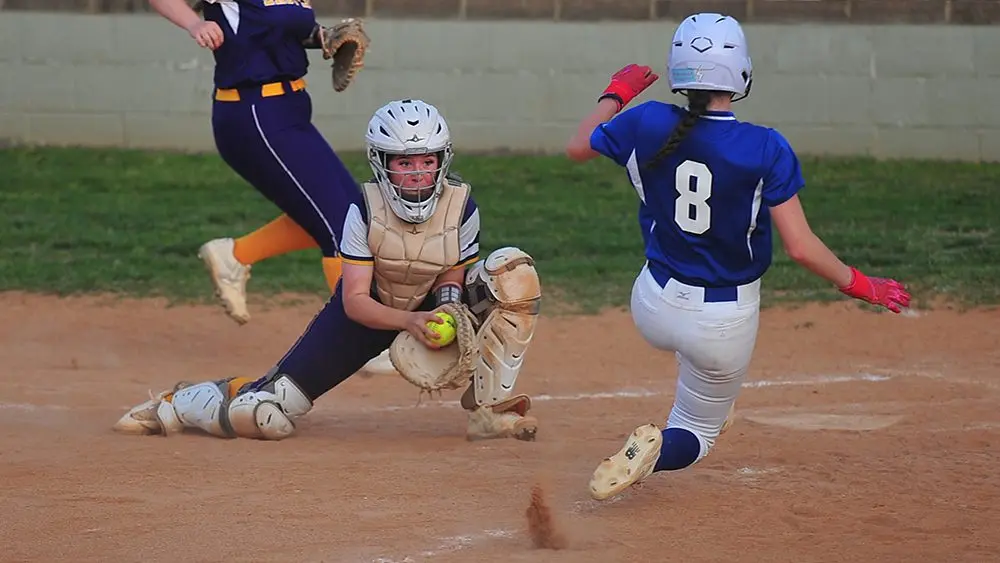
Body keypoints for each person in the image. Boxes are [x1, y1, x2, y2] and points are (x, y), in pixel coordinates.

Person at [565, 13, 911, 501]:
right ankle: (657, 447)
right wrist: (860, 283)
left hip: (651, 302)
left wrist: (616, 93)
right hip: (721, 320)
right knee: (698, 432)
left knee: (696, 357)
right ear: (740, 73)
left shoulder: (645, 122)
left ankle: (705, 387)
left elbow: (578, 146)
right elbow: (801, 247)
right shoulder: (764, 146)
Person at [112, 99, 542, 442]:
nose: (417, 174)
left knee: (512, 270)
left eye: (426, 161)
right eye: (404, 163)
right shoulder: (361, 209)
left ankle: (491, 413)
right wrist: (410, 321)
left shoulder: (462, 204)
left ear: (441, 160)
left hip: (429, 305)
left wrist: (447, 308)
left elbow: (454, 269)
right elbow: (354, 300)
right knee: (262, 416)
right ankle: (180, 403)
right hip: (368, 315)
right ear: (382, 163)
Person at [147, 0, 370, 325]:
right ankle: (357, 335)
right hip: (253, 113)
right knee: (341, 226)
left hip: (289, 109)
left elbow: (276, 33)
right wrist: (195, 25)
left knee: (350, 212)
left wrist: (323, 38)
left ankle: (235, 256)